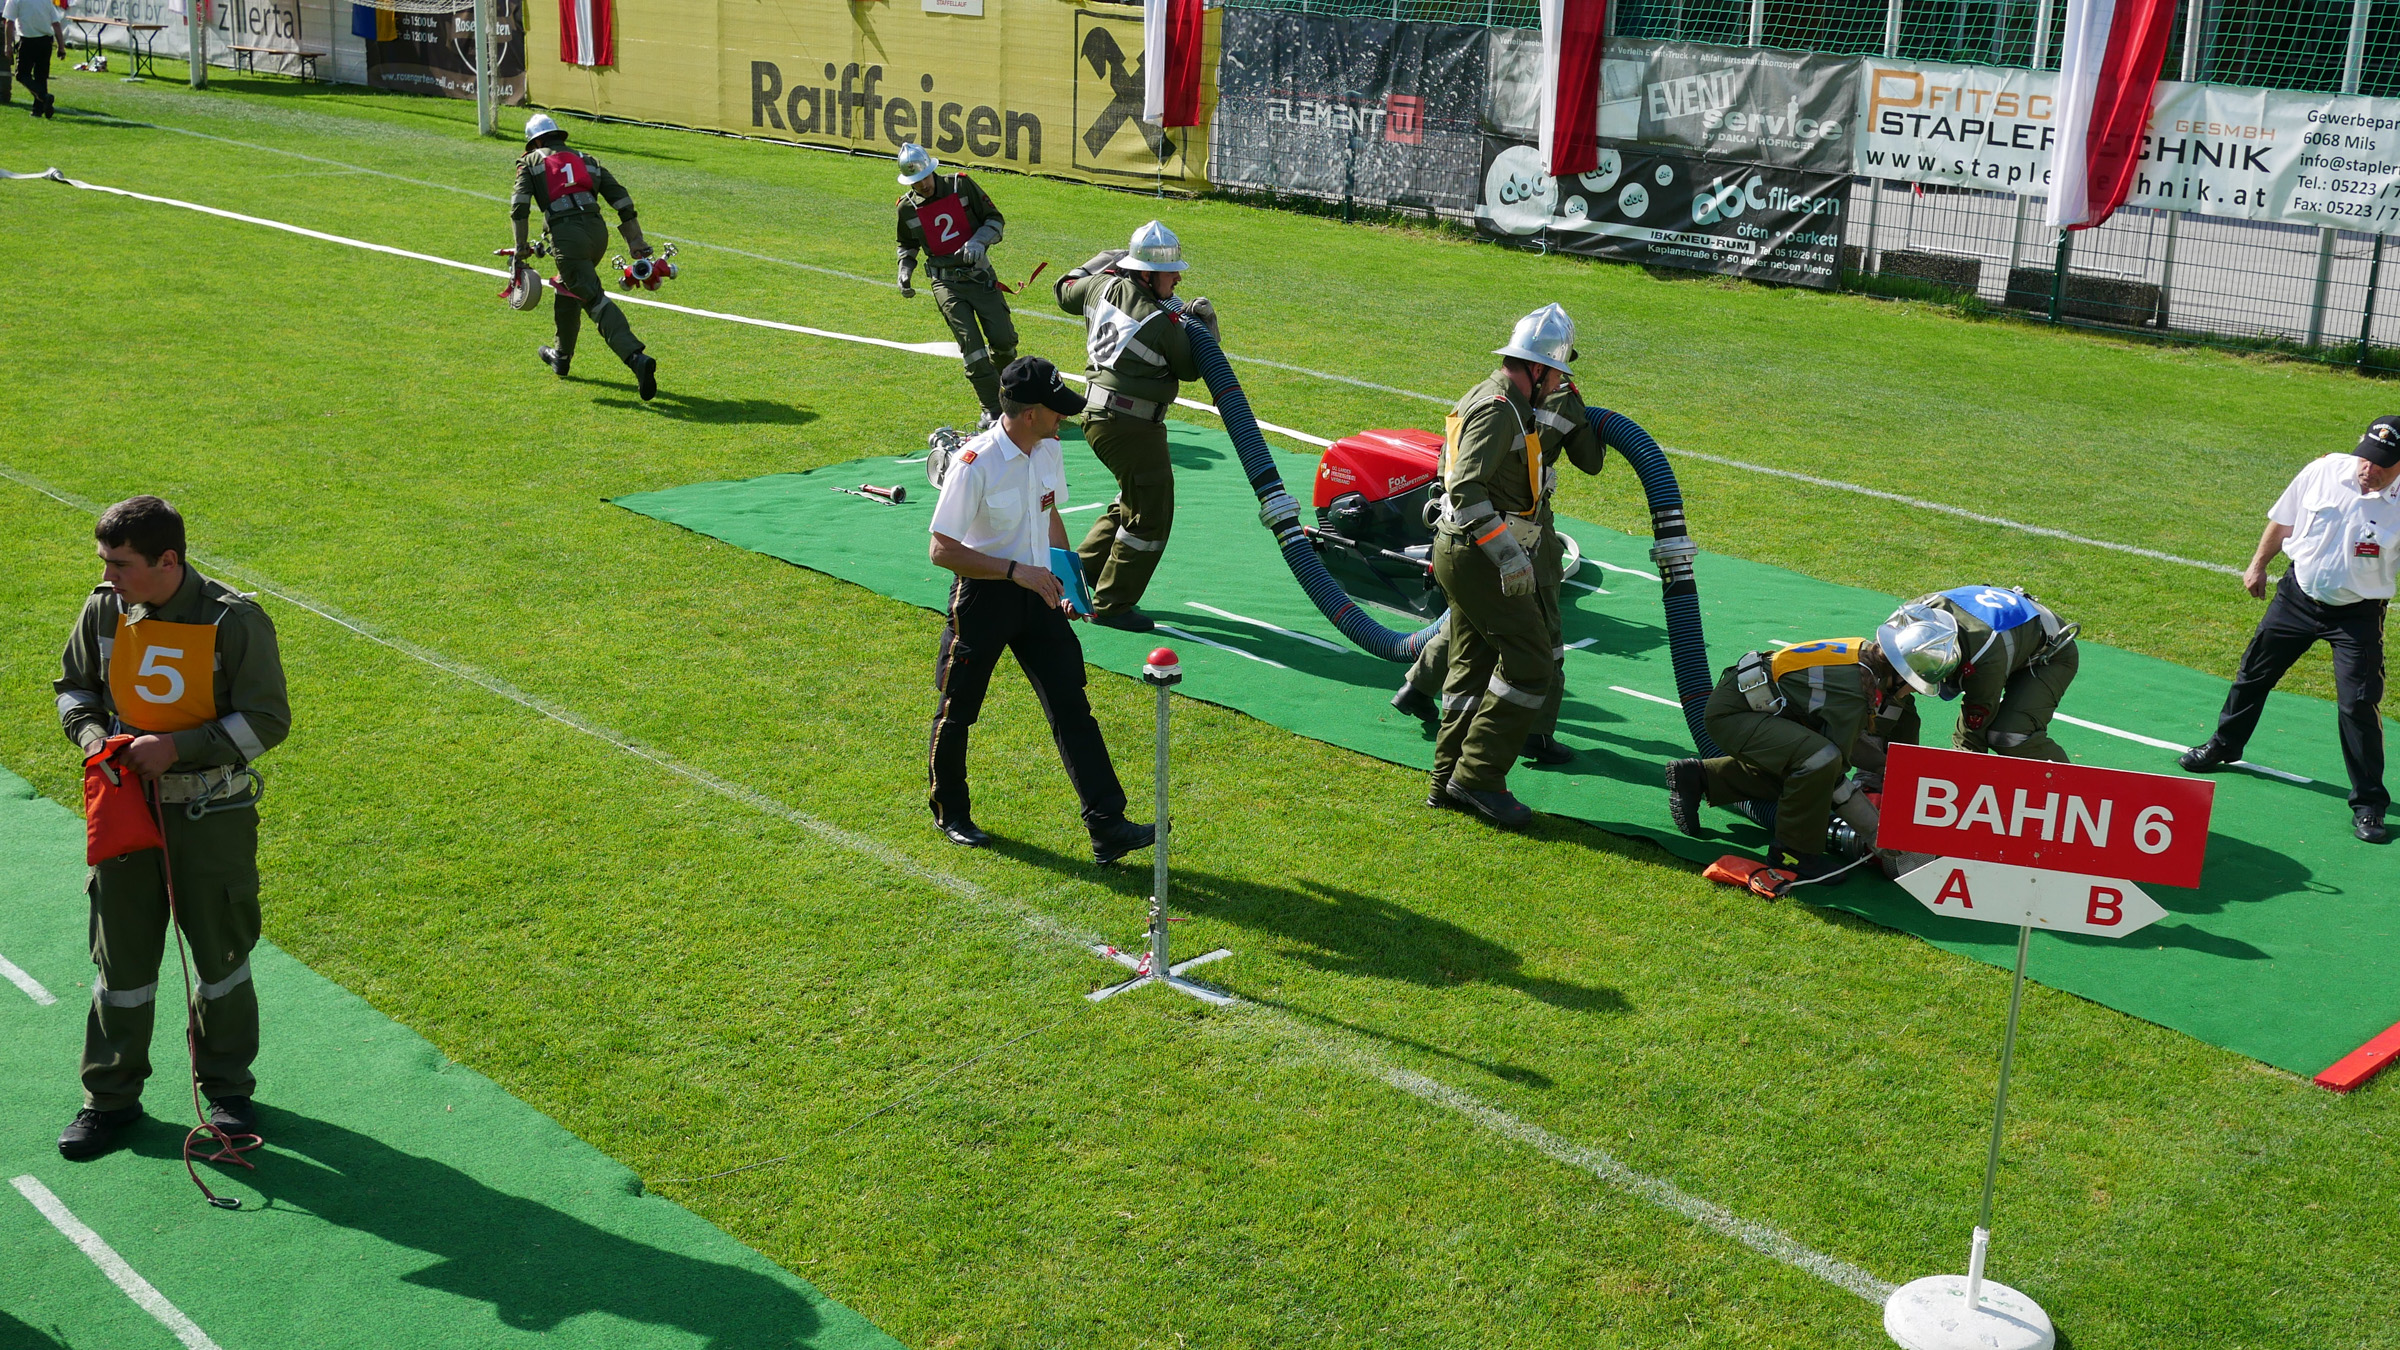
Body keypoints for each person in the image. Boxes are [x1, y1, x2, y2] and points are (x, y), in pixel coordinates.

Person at [52, 497, 291, 1160]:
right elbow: (73, 688)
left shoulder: (233, 621)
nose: (108, 576)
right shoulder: (104, 608)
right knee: (120, 960)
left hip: (211, 817)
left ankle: (228, 1095)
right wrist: (95, 738)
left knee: (220, 959)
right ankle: (110, 1099)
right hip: (125, 809)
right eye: (105, 561)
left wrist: (177, 748)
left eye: (120, 564)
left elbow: (267, 720)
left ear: (168, 560)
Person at [927, 356, 1157, 864]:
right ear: (1029, 413)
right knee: (958, 709)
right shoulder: (975, 463)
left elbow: (1049, 515)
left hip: (1039, 591)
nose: (1064, 417)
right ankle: (951, 812)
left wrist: (1068, 583)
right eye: (1056, 409)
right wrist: (1015, 572)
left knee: (1072, 704)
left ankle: (1108, 826)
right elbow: (941, 550)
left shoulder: (1048, 448)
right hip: (984, 597)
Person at [2182, 416, 2400, 843]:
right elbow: (2283, 522)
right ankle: (2225, 744)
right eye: (2366, 457)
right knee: (2253, 674)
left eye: (2382, 463)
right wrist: (2257, 565)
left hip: (2357, 613)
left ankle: (2369, 804)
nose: (2368, 469)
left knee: (2358, 704)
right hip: (2297, 596)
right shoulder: (2323, 470)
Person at [1425, 304, 1595, 829]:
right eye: (1557, 374)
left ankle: (1446, 778)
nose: (1560, 385)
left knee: (1472, 667)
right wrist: (1508, 555)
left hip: (1464, 551)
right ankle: (1477, 777)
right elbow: (1465, 488)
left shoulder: (1497, 397)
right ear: (1537, 369)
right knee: (1531, 662)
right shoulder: (1501, 409)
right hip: (1479, 556)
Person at [1393, 372, 1607, 766]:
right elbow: (1590, 462)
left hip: (1461, 527)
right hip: (1513, 526)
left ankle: (1419, 688)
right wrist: (1588, 421)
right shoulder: (1552, 401)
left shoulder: (1487, 391)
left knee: (1471, 623)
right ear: (1543, 370)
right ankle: (1535, 732)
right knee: (1542, 631)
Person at [1056, 221, 1218, 633]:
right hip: (1131, 425)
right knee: (1150, 517)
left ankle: (1079, 574)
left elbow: (1064, 289)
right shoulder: (1159, 321)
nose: (1178, 279)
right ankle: (1112, 604)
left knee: (1133, 500)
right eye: (1170, 272)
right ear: (1145, 274)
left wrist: (1105, 259)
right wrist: (1206, 327)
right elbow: (1193, 367)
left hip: (1098, 415)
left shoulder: (1101, 286)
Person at [1665, 637, 1902, 884]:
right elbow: (1831, 775)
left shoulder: (1864, 660)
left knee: (1805, 766)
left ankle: (1701, 778)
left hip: (1752, 703)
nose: (1917, 691)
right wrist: (1878, 834)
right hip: (1734, 714)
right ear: (1899, 675)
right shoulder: (1855, 689)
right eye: (1916, 684)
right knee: (1819, 763)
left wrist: (1885, 766)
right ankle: (1792, 853)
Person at [510, 112, 660, 400]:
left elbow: (519, 206)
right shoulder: (587, 159)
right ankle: (561, 356)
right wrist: (635, 240)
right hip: (597, 233)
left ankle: (635, 357)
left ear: (536, 142)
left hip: (568, 238)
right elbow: (621, 198)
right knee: (567, 286)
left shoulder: (529, 162)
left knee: (592, 298)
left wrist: (520, 247)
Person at [1875, 584, 2079, 761]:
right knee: (1884, 694)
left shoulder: (1984, 664)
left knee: (2008, 735)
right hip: (2004, 642)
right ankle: (1890, 773)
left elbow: (1970, 741)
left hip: (2049, 654)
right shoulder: (1906, 619)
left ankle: (2071, 786)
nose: (1918, 690)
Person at [894, 143, 1018, 429]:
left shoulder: (960, 186)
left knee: (1003, 341)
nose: (923, 185)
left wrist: (979, 241)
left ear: (932, 170)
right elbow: (906, 245)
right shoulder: (906, 208)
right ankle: (992, 409)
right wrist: (905, 270)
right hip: (946, 284)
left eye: (925, 177)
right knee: (972, 348)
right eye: (916, 181)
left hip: (980, 276)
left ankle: (1012, 396)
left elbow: (995, 219)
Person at [5, 0, 59, 119]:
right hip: (46, 41)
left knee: (21, 75)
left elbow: (9, 22)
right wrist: (61, 46)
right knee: (41, 76)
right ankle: (38, 110)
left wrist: (8, 45)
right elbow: (56, 23)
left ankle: (43, 97)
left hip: (28, 41)